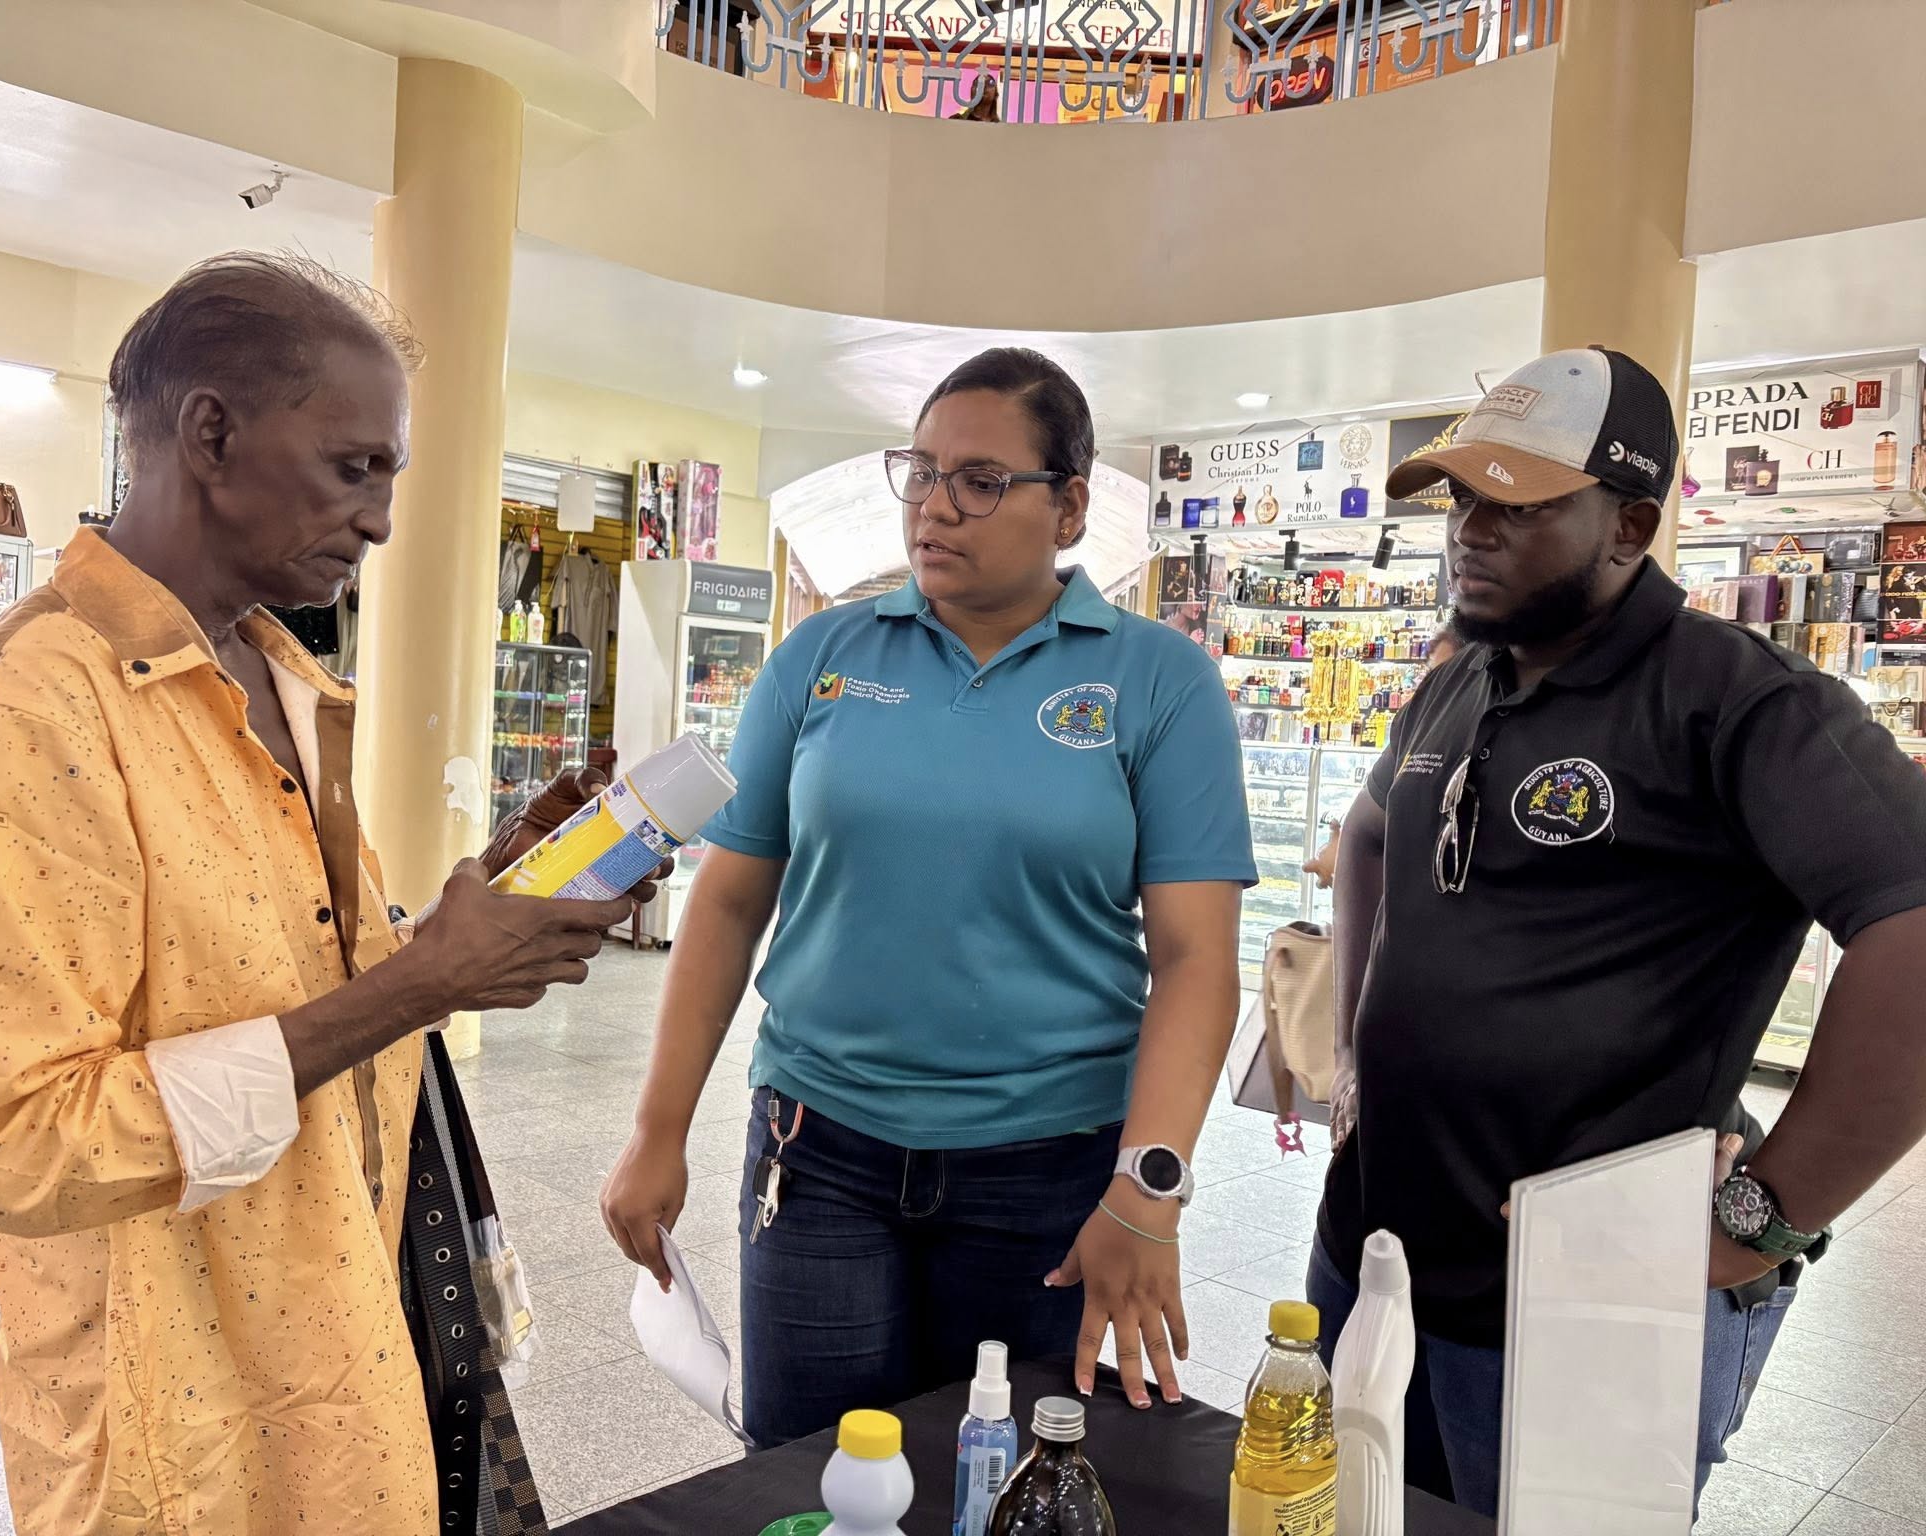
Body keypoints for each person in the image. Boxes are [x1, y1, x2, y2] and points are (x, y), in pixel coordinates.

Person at [0, 252, 659, 1536]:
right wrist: (421, 983)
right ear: (212, 432)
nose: (384, 520)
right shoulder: (41, 699)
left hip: (340, 1333)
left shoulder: (277, 674)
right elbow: (22, 1141)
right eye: (357, 468)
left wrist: (486, 908)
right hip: (169, 1405)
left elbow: (272, 983)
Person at [601, 347, 1256, 1446]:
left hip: (1048, 1173)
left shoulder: (1156, 680)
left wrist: (1145, 1191)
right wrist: (656, 1130)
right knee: (811, 1475)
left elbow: (1195, 960)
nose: (934, 508)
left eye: (981, 481)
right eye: (921, 472)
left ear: (1070, 508)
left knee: (1009, 1487)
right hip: (819, 1156)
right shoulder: (819, 657)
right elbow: (723, 904)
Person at [1315, 346, 1926, 1517]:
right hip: (1376, 1253)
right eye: (1461, 499)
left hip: (1576, 1303)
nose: (1469, 532)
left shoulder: (1736, 700)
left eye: (1517, 505)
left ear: (1628, 524)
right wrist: (1350, 1049)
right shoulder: (1463, 675)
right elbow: (1370, 835)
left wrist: (1760, 1222)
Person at [1301, 618, 1458, 895]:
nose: (1432, 694)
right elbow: (1370, 825)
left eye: (1450, 680)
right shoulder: (1414, 738)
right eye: (1431, 678)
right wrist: (1345, 851)